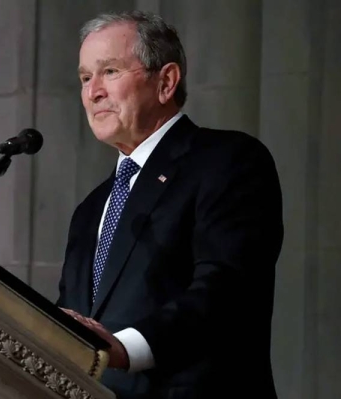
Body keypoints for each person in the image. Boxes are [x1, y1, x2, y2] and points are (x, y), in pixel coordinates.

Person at [57, 10, 283, 399]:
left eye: (109, 71)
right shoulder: (91, 208)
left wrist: (126, 348)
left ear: (165, 82)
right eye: (84, 78)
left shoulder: (227, 160)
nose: (93, 91)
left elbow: (226, 290)